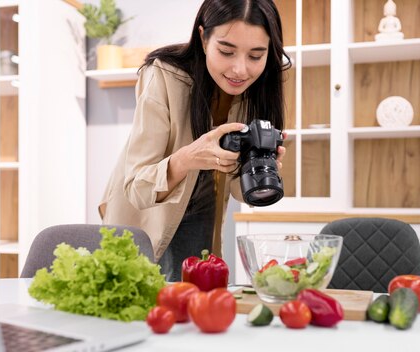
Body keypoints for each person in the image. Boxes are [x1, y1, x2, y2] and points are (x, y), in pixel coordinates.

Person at [99, 0, 291, 281]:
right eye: (226, 51)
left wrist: (258, 169)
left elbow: (239, 193)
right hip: (145, 218)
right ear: (203, 38)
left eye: (256, 56)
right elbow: (137, 187)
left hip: (203, 215)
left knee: (195, 311)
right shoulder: (164, 74)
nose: (240, 70)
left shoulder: (261, 88)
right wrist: (187, 157)